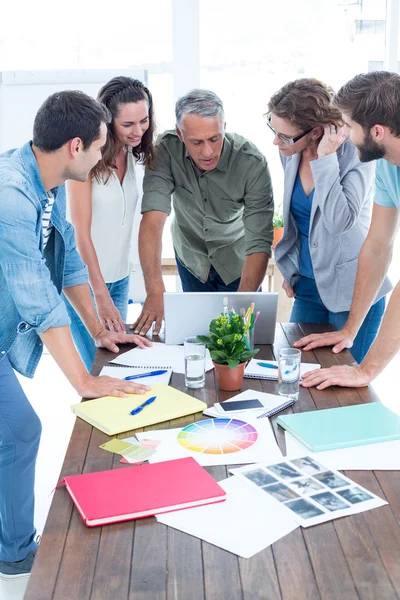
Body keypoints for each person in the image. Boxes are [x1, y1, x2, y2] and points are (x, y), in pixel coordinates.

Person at [0, 91, 151, 581]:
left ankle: (12, 545)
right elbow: (37, 297)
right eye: (101, 145)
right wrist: (84, 382)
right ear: (75, 145)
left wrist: (100, 332)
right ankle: (15, 550)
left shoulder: (46, 180)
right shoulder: (11, 195)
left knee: (18, 432)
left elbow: (66, 262)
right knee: (21, 431)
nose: (106, 154)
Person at [131, 89, 274, 336]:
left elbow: (259, 240)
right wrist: (155, 290)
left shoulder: (251, 162)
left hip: (239, 262)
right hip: (192, 259)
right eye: (196, 142)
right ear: (180, 134)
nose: (208, 152)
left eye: (215, 139)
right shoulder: (165, 150)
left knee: (241, 341)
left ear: (224, 127)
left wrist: (243, 302)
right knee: (198, 337)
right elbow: (153, 220)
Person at [267, 78, 391, 364]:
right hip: (308, 286)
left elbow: (339, 222)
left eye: (285, 136)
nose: (277, 141)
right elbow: (299, 219)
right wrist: (292, 266)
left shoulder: (359, 153)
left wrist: (325, 159)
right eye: (275, 132)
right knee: (297, 372)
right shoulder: (290, 151)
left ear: (316, 132)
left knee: (342, 384)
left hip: (352, 289)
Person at [293, 71, 400, 390]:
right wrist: (350, 329)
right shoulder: (386, 163)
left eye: (349, 127)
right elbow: (377, 245)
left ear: (376, 131)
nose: (345, 137)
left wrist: (365, 370)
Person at [65, 77, 155, 371]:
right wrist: (100, 295)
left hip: (119, 278)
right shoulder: (85, 158)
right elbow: (80, 233)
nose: (138, 130)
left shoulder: (131, 152)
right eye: (128, 124)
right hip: (87, 285)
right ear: (107, 120)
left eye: (143, 121)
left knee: (118, 366)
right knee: (97, 368)